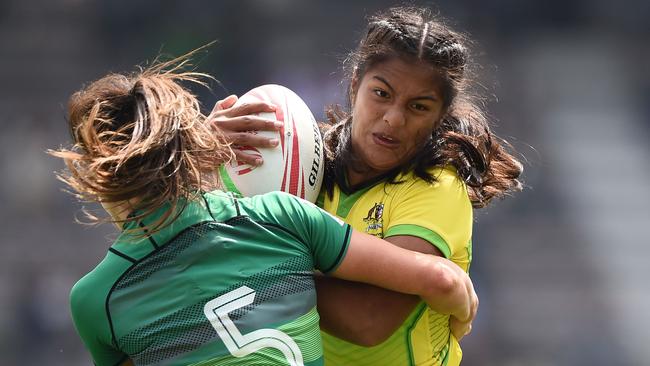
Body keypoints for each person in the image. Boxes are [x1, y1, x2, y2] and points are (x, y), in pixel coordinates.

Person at [50, 54, 478, 366]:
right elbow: (440, 279)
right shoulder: (282, 218)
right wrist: (461, 310)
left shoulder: (94, 301)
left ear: (93, 176)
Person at [209, 6, 522, 366]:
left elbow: (369, 319)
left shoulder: (436, 188)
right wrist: (200, 151)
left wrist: (252, 271)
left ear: (441, 115)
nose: (393, 118)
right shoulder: (301, 160)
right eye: (382, 94)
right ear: (356, 82)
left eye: (418, 107)